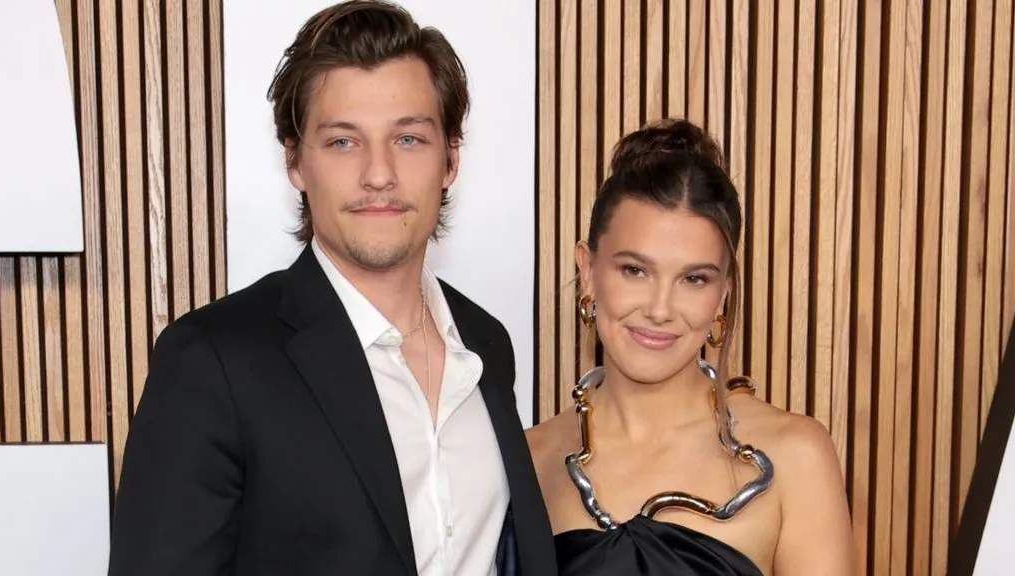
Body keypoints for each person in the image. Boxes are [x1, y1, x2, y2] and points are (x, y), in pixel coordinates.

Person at [108, 2, 555, 574]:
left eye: (410, 138)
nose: (378, 174)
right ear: (295, 160)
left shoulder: (486, 344)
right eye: (344, 141)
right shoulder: (212, 362)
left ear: (451, 158)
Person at [526, 118, 855, 575]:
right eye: (634, 271)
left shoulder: (796, 456)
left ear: (722, 294)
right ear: (587, 269)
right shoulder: (529, 460)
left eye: (693, 279)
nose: (660, 309)